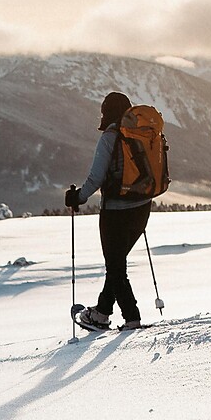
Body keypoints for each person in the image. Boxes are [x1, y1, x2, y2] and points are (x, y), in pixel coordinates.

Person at [65, 91, 148, 330]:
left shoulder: (111, 137)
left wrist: (77, 197)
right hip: (142, 209)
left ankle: (131, 318)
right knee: (116, 264)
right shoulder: (142, 133)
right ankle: (101, 312)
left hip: (116, 211)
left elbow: (96, 177)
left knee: (115, 266)